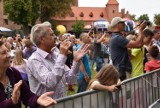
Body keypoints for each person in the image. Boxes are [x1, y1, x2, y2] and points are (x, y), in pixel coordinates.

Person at [26, 22, 89, 99]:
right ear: (42, 39)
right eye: (51, 35)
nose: (55, 37)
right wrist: (62, 56)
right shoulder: (34, 60)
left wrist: (76, 61)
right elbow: (50, 82)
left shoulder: (55, 55)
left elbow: (71, 79)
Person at [0, 41, 56, 108]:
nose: (9, 55)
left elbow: (27, 96)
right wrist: (11, 102)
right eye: (3, 53)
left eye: (7, 51)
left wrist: (37, 99)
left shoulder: (13, 73)